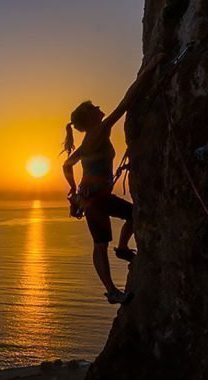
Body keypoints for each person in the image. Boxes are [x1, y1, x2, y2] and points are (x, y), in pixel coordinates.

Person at [62, 53, 166, 304]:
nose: (100, 108)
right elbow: (126, 103)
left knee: (131, 217)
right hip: (95, 200)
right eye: (95, 108)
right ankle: (111, 290)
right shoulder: (98, 132)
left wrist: (73, 190)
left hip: (93, 197)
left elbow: (67, 164)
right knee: (100, 244)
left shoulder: (89, 140)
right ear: (91, 117)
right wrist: (149, 70)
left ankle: (121, 250)